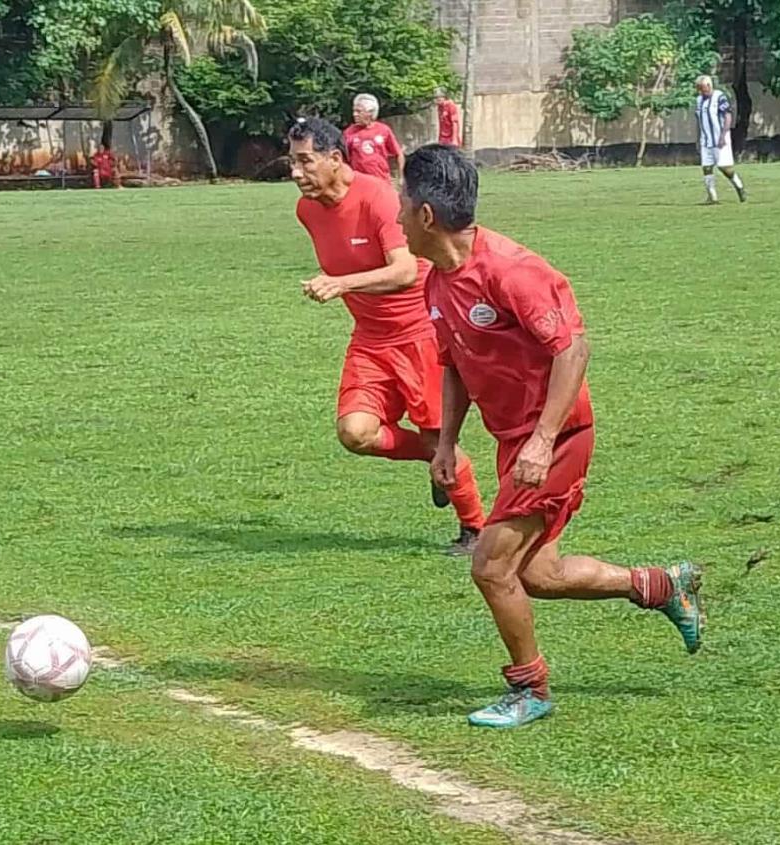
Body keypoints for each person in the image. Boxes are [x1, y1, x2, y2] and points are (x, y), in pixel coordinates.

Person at [398, 144, 704, 728]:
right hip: (515, 440)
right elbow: (456, 363)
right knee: (538, 576)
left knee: (490, 567)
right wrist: (444, 443)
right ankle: (662, 584)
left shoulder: (511, 270)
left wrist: (541, 439)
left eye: (402, 205)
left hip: (557, 438)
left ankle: (529, 690)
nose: (397, 219)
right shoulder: (436, 281)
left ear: (427, 216)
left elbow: (572, 348)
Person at [289, 118, 484, 555]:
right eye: (293, 162)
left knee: (439, 437)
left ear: (335, 159)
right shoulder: (307, 210)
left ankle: (476, 529)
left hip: (419, 334)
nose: (296, 173)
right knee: (355, 433)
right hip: (370, 339)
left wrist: (342, 284)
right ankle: (435, 461)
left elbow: (405, 270)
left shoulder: (378, 199)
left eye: (305, 162)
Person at [695, 76, 746, 204]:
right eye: (699, 89)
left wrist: (723, 135)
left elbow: (728, 116)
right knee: (706, 167)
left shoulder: (719, 97)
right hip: (706, 140)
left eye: (702, 88)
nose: (701, 92)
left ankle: (739, 187)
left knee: (724, 168)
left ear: (709, 86)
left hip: (719, 139)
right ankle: (712, 197)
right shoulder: (699, 100)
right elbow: (699, 120)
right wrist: (698, 138)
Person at [342, 94, 405, 183]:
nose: (354, 114)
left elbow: (398, 154)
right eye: (354, 111)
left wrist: (401, 176)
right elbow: (343, 159)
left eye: (359, 111)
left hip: (381, 180)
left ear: (370, 112)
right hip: (359, 182)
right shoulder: (348, 133)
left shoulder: (384, 130)